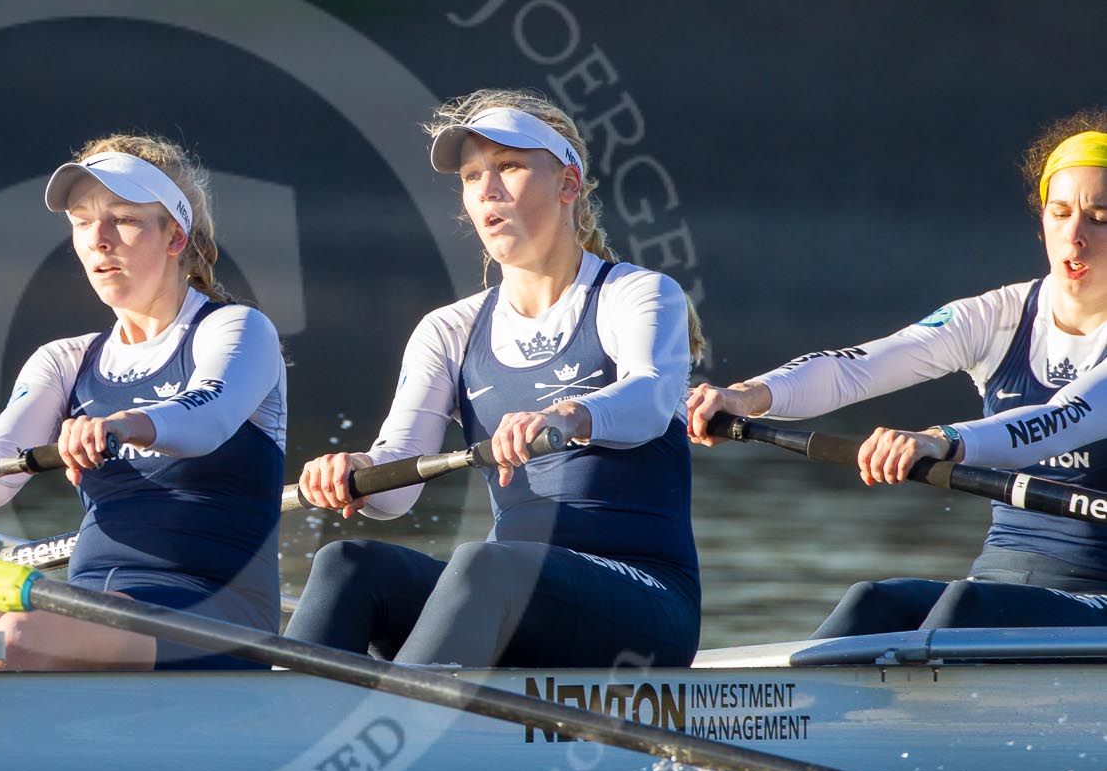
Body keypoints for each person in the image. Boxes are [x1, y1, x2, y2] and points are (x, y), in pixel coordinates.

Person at [286, 89, 704, 668]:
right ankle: (284, 734)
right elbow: (398, 486)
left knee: (485, 562)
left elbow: (651, 399)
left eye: (509, 167)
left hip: (646, 596)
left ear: (568, 184)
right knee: (349, 564)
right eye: (472, 175)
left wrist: (569, 414)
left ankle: (402, 735)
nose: (487, 189)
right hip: (512, 590)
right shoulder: (448, 329)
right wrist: (357, 471)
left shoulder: (635, 294)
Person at [687, 111, 1107, 639]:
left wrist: (940, 440)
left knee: (964, 611)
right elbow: (856, 369)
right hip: (1001, 580)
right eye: (1061, 212)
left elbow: (1066, 416)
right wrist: (746, 396)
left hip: (1096, 595)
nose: (1075, 236)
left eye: (1100, 217)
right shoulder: (999, 316)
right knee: (871, 606)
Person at [0, 134, 287, 671]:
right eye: (81, 221)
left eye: (123, 219)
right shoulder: (66, 359)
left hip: (217, 608)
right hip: (88, 602)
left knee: (18, 638)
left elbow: (208, 417)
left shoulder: (237, 329)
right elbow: (1, 468)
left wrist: (120, 425)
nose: (98, 239)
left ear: (174, 236)